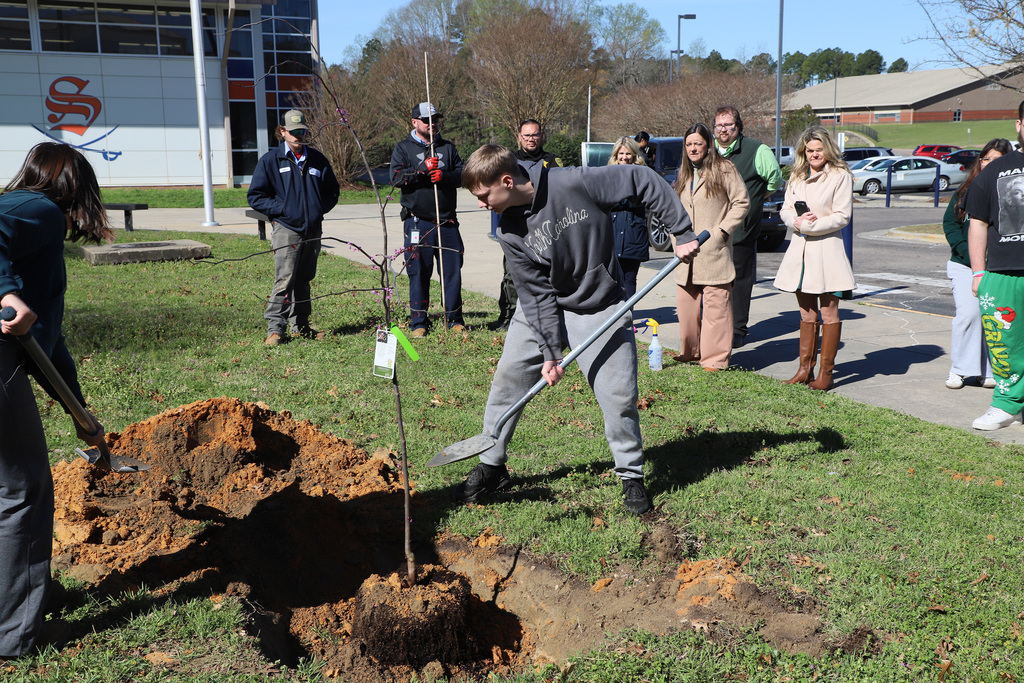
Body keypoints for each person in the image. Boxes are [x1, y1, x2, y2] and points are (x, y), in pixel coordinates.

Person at [458, 144, 700, 515]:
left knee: (618, 395)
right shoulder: (509, 229)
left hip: (600, 303)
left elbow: (643, 179)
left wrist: (681, 232)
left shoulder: (574, 182)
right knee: (507, 381)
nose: (480, 204)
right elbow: (535, 295)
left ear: (506, 181)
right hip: (542, 309)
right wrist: (551, 351)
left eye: (483, 195)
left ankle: (631, 477)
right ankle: (492, 465)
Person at [0, 142, 112, 659]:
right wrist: (5, 290)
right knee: (24, 492)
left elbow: (49, 343)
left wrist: (81, 416)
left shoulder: (38, 237)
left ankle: (20, 593)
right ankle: (15, 633)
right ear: (74, 184)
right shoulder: (39, 208)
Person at [248, 109, 340, 346]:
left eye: (303, 131)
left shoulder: (318, 160)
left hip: (312, 229)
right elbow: (256, 197)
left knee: (304, 278)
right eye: (294, 131)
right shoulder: (271, 161)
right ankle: (275, 329)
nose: (299, 135)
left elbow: (332, 191)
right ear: (283, 131)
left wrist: (318, 209)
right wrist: (282, 211)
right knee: (285, 279)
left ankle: (301, 325)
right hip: (287, 229)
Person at [773, 126, 854, 391]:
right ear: (803, 152)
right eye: (809, 150)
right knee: (807, 313)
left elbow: (842, 216)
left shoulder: (840, 176)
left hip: (827, 251)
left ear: (827, 150)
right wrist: (795, 222)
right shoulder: (796, 176)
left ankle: (826, 374)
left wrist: (810, 226)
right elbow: (785, 209)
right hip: (800, 253)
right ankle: (804, 369)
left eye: (818, 150)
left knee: (829, 313)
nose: (814, 154)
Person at [965, 100, 1024, 430]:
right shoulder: (995, 171)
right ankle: (1005, 404)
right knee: (1006, 344)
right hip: (1002, 273)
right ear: (1018, 125)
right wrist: (977, 272)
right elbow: (977, 222)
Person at [672, 122, 750, 371]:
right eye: (689, 144)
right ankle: (691, 352)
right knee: (686, 309)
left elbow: (742, 202)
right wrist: (677, 239)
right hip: (686, 254)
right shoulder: (684, 172)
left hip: (713, 251)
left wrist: (722, 232)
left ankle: (714, 361)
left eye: (698, 143)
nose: (693, 148)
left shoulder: (724, 169)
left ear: (708, 146)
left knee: (716, 310)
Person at [390, 102, 465, 337]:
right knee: (418, 272)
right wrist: (422, 170)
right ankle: (419, 322)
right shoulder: (404, 148)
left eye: (435, 120)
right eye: (426, 120)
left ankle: (454, 320)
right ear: (414, 122)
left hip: (447, 222)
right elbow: (394, 177)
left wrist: (444, 175)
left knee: (452, 272)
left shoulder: (447, 148)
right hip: (417, 222)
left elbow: (463, 174)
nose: (432, 124)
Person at [943, 138, 1012, 391]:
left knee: (995, 320)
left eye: (995, 159)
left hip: (1000, 267)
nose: (988, 164)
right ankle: (960, 370)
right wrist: (965, 252)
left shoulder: (1013, 191)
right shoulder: (967, 190)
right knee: (970, 314)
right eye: (985, 159)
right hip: (965, 265)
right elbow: (951, 224)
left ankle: (988, 371)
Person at [712, 105, 783, 349]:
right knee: (713, 281)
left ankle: (738, 330)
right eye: (719, 126)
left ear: (738, 127)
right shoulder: (708, 149)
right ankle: (715, 327)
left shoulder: (757, 150)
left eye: (728, 125)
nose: (723, 130)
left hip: (741, 230)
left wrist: (757, 197)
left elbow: (774, 179)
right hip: (710, 231)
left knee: (740, 281)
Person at [491, 119, 562, 330]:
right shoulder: (509, 160)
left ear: (541, 136)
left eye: (535, 135)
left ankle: (548, 318)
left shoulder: (552, 160)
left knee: (546, 274)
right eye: (527, 135)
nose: (531, 139)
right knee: (511, 274)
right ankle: (507, 317)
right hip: (516, 225)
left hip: (544, 226)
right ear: (519, 137)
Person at [606, 136, 650, 299]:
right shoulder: (607, 174)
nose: (624, 157)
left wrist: (621, 199)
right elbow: (605, 201)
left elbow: (639, 201)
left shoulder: (642, 174)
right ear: (616, 155)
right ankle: (612, 319)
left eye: (628, 153)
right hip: (612, 234)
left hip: (633, 235)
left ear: (634, 155)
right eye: (621, 153)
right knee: (611, 280)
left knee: (629, 279)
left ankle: (628, 317)